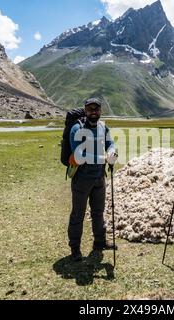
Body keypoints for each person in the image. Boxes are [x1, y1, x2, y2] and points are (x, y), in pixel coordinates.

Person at [68, 98, 118, 262]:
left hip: (99, 178)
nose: (93, 112)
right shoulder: (77, 128)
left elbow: (111, 143)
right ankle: (75, 249)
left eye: (96, 109)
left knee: (98, 212)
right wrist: (103, 157)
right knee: (78, 214)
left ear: (100, 111)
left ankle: (100, 242)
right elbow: (78, 155)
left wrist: (112, 152)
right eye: (90, 109)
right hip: (81, 179)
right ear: (85, 110)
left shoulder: (104, 127)